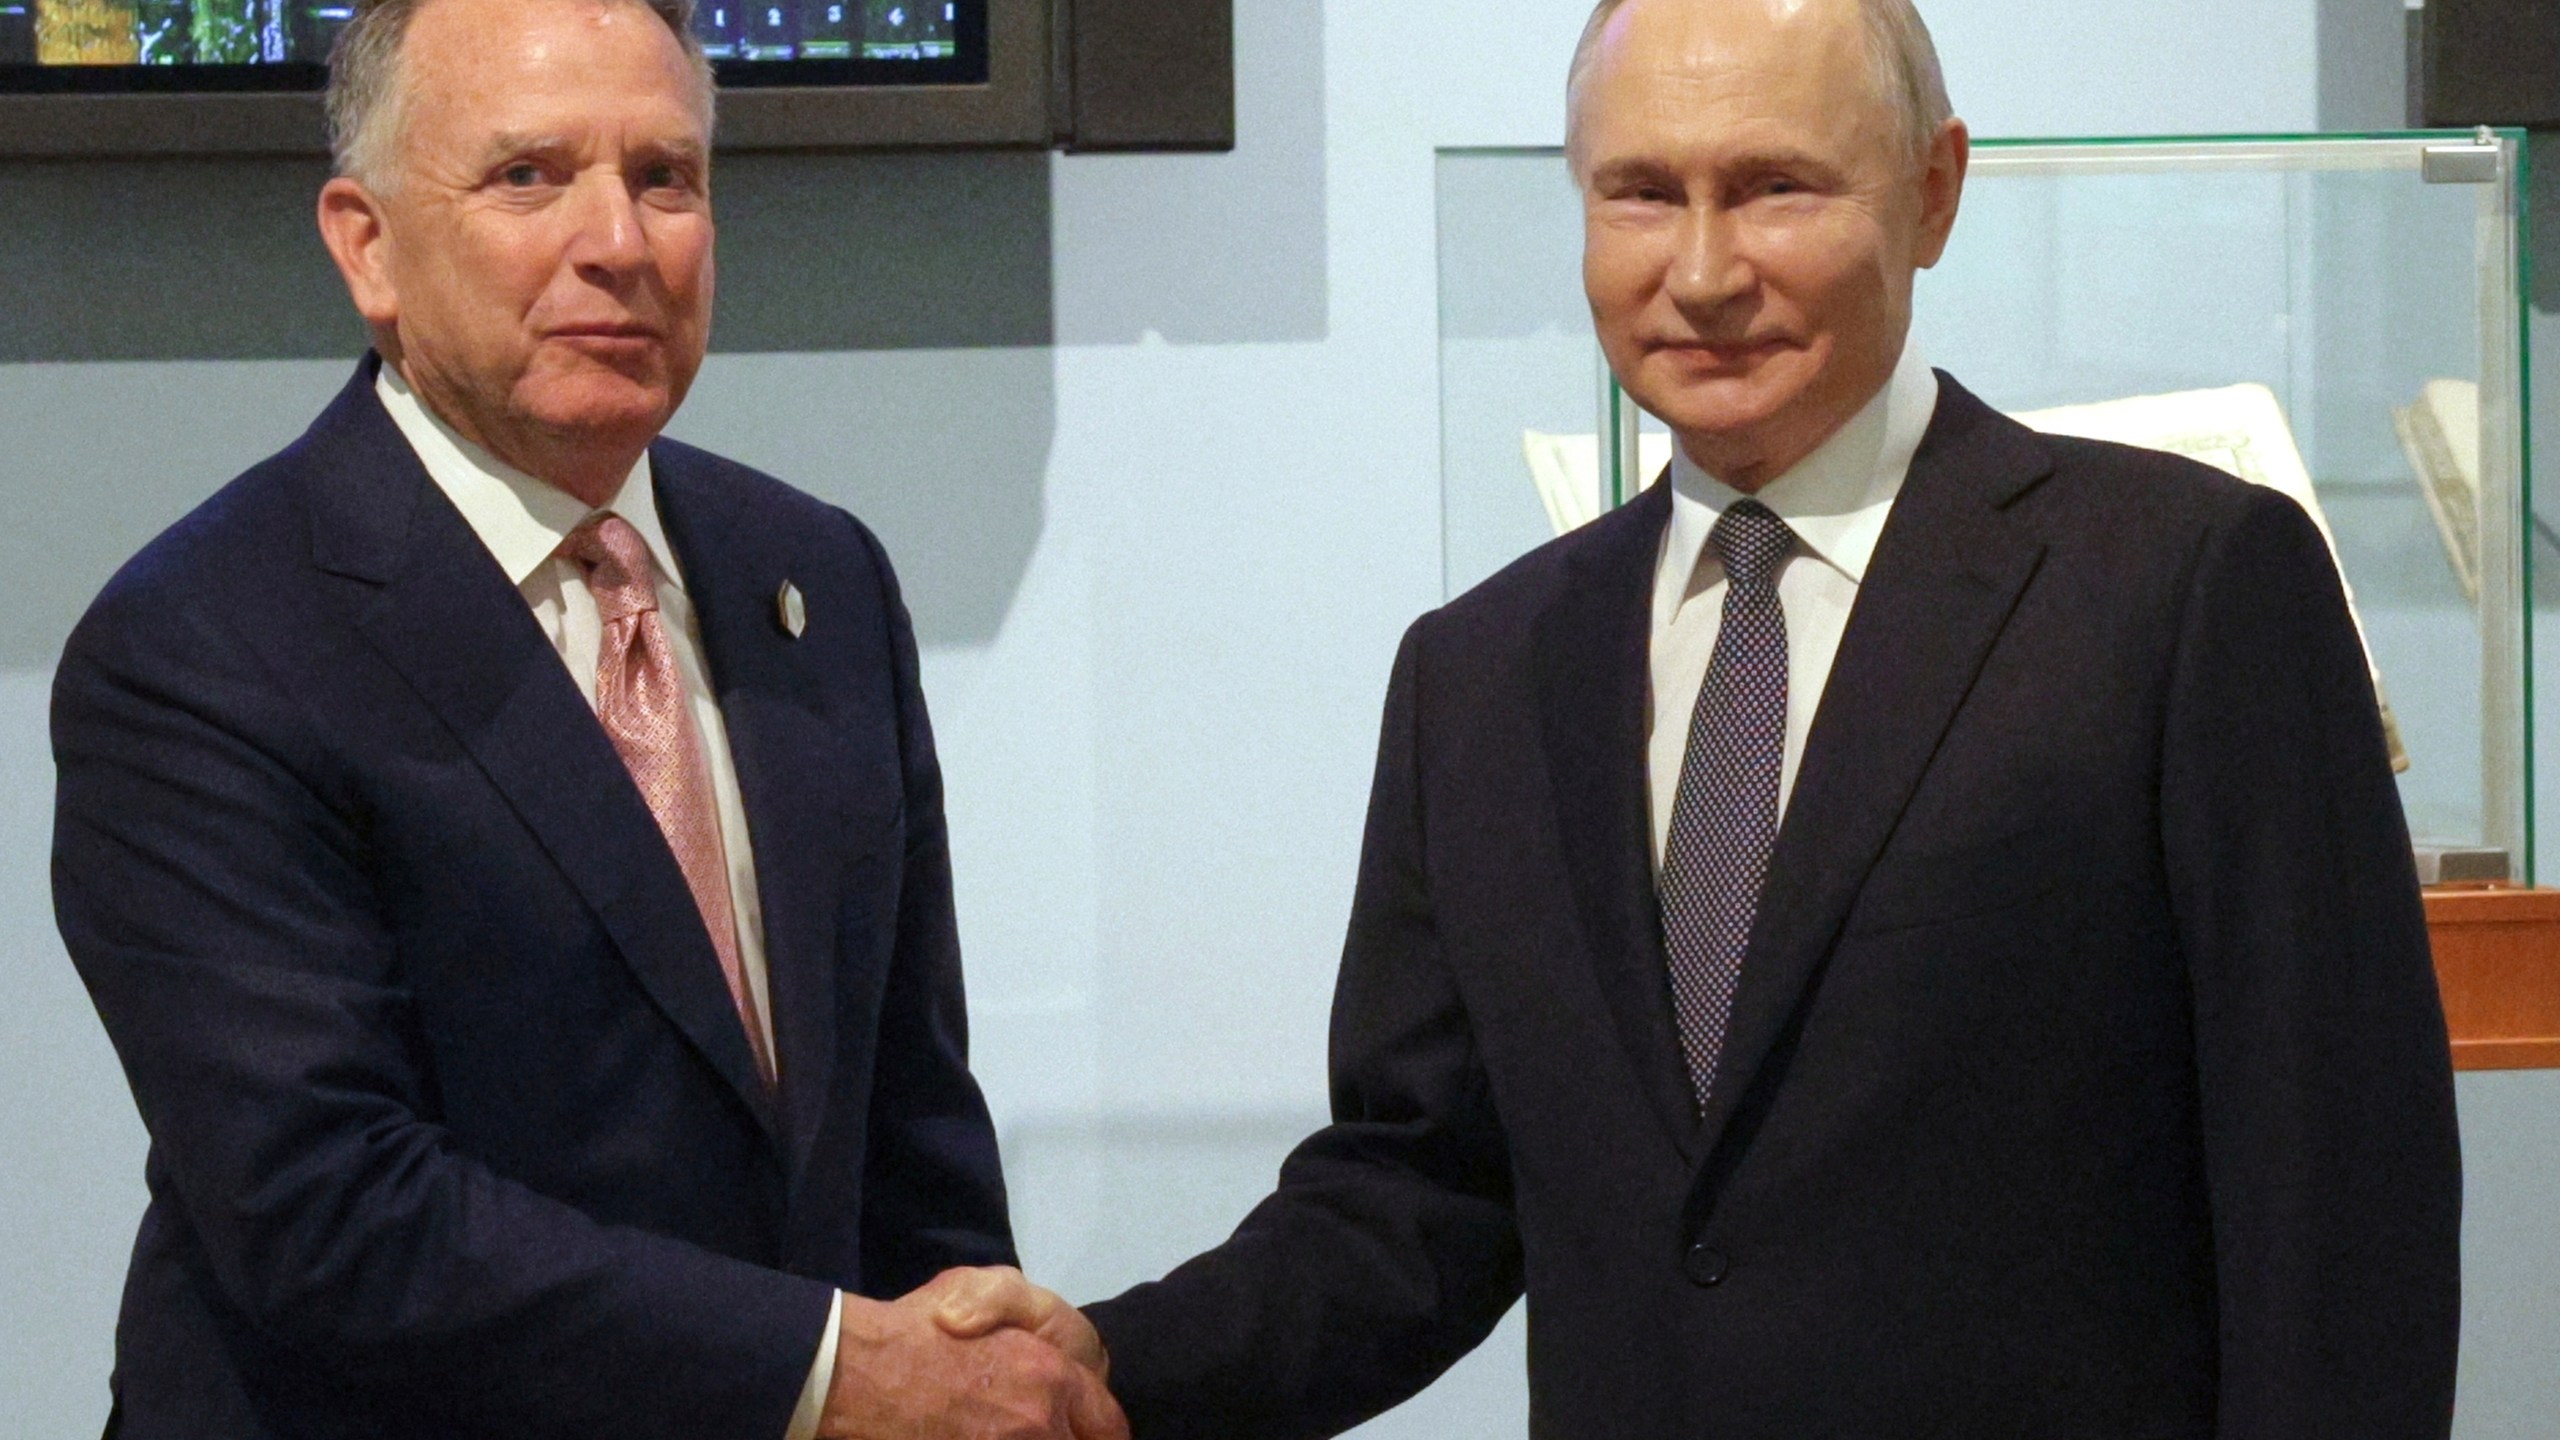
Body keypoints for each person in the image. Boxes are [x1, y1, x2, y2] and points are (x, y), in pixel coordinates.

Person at [944, 0, 2464, 1434]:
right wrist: (1110, 1367)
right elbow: (1421, 1198)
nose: (1705, 269)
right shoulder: (1478, 675)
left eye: (1775, 187)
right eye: (1641, 194)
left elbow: (2340, 1204)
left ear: (1934, 193)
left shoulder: (2186, 590)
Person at [48, 1, 1120, 1437]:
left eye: (666, 177)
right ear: (366, 244)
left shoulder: (819, 578)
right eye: (528, 176)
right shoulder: (204, 642)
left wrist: (975, 1354)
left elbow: (906, 1118)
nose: (620, 241)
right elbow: (330, 1212)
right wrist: (834, 1375)